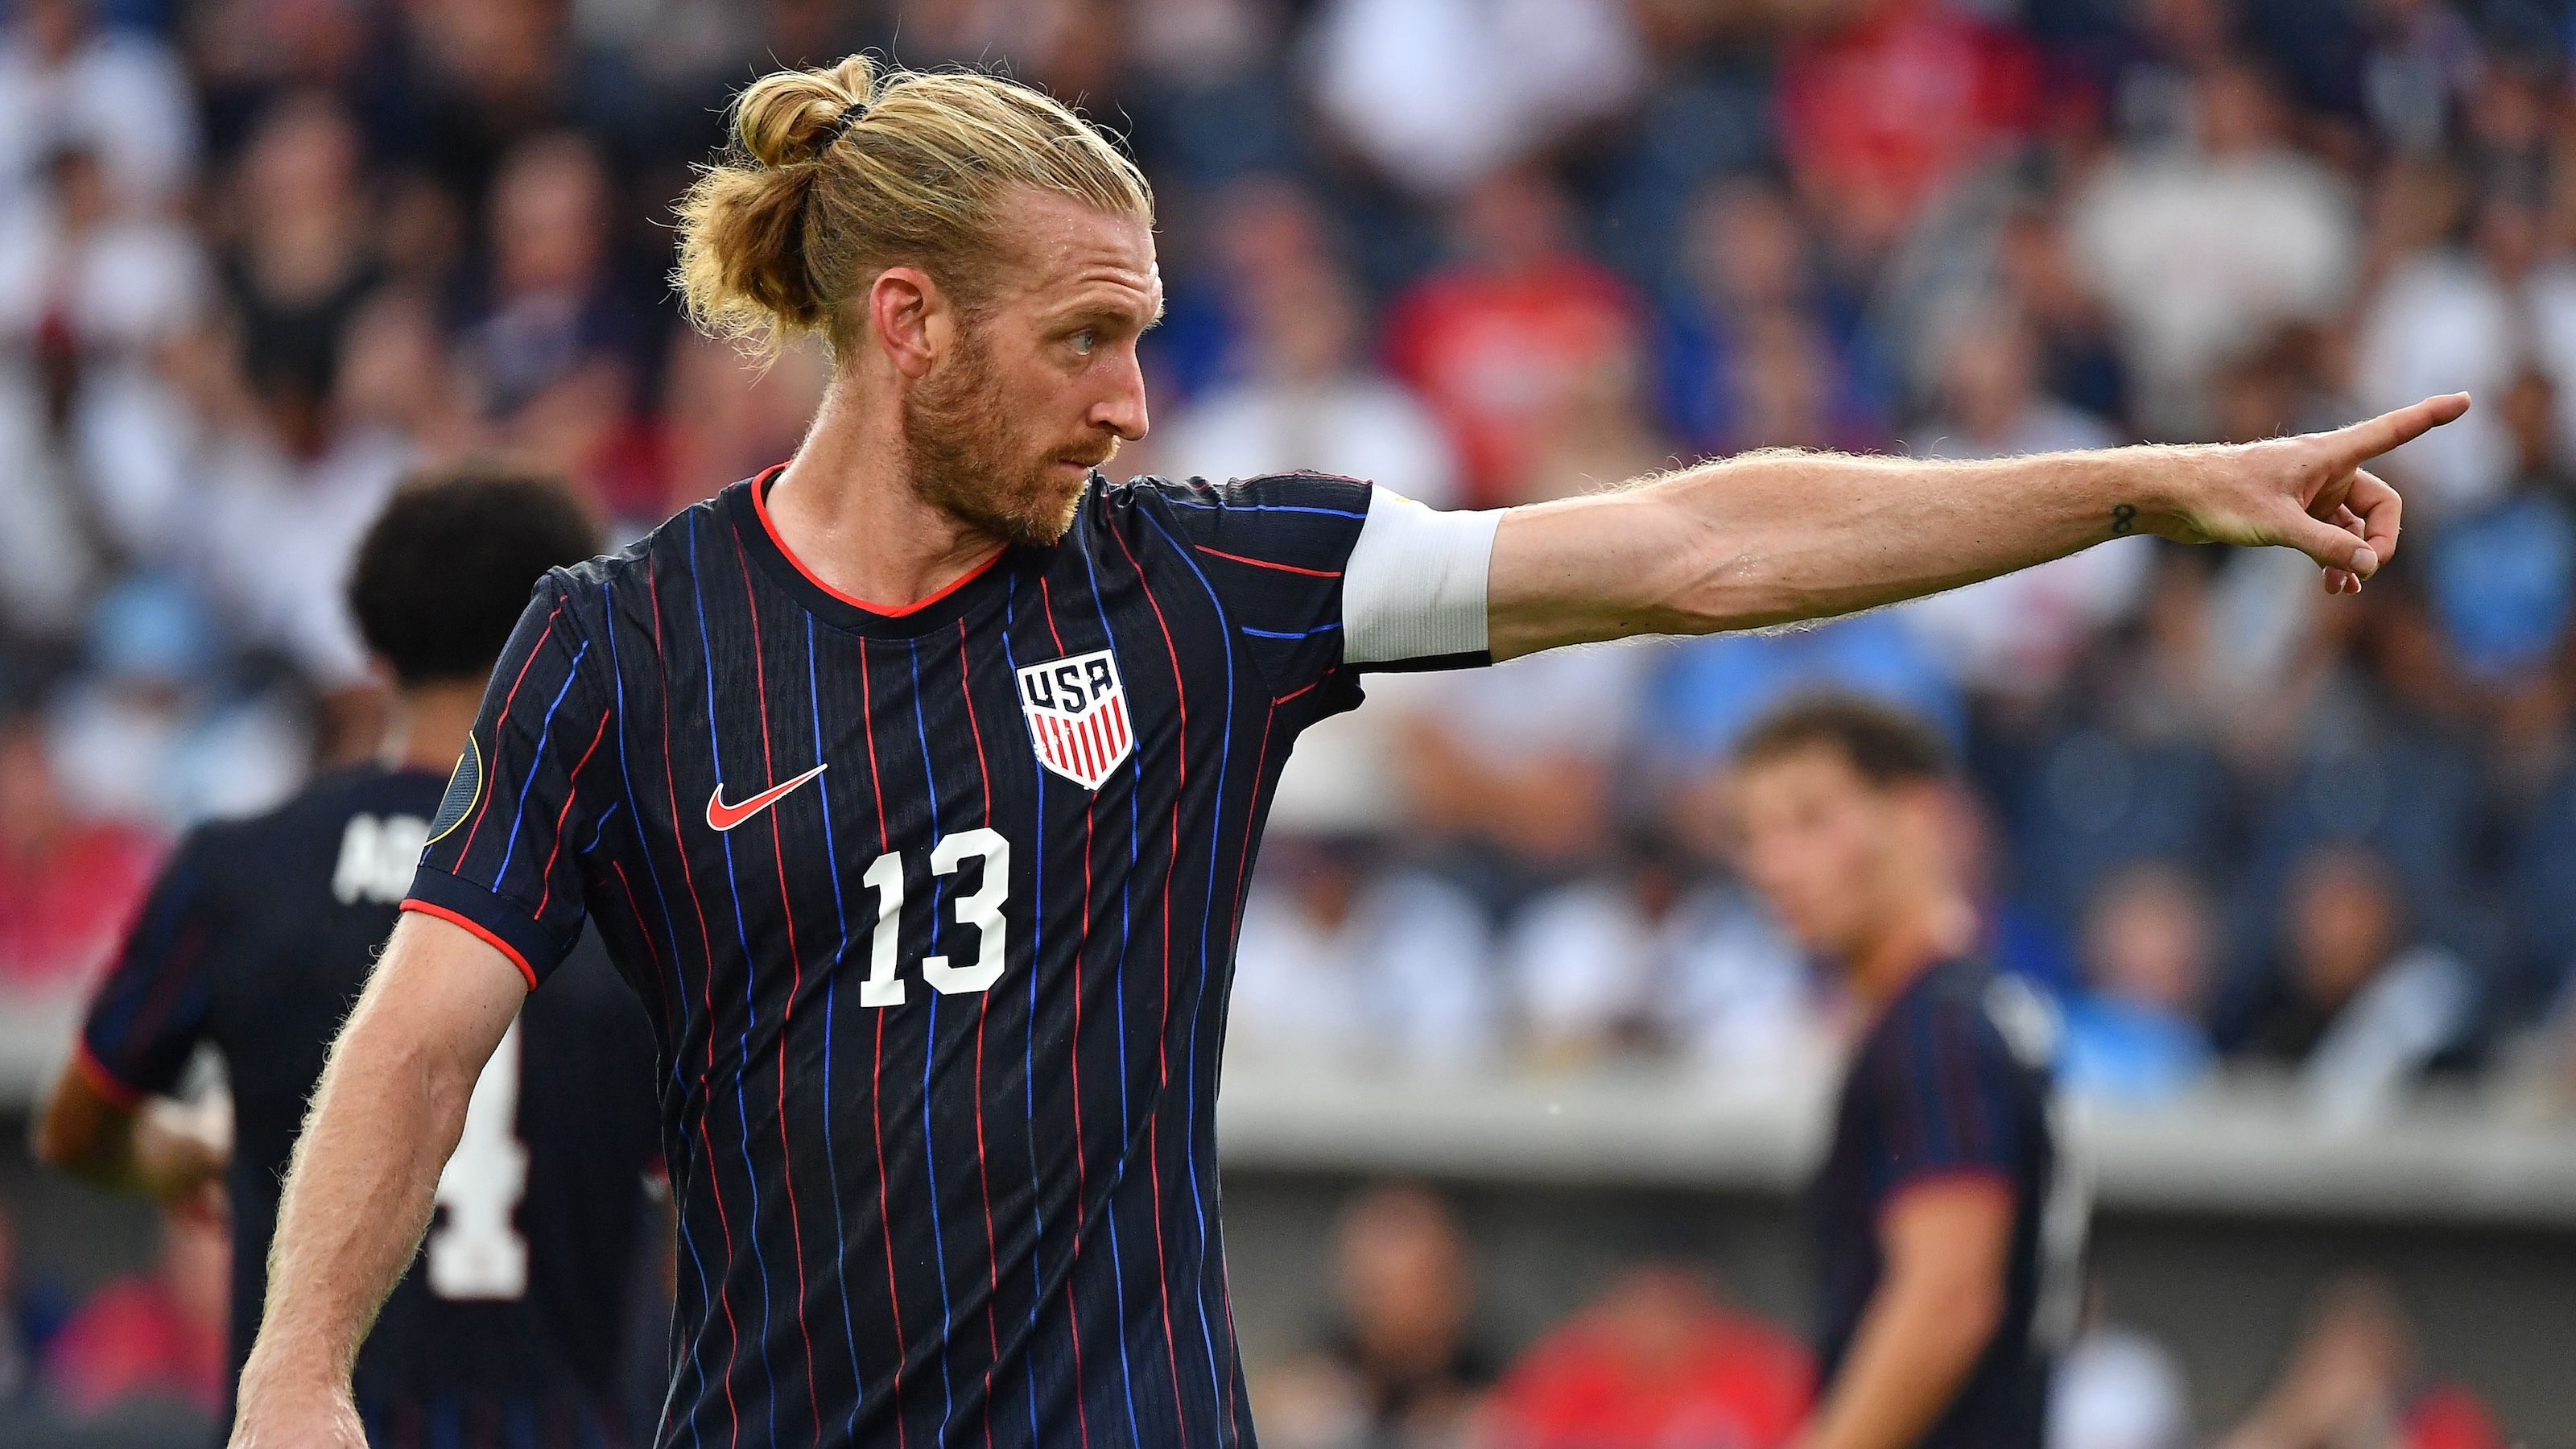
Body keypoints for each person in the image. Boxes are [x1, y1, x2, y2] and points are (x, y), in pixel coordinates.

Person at [225, 51, 2461, 1449]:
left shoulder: (1205, 593)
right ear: (901, 327)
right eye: (1086, 340)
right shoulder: (622, 648)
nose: (1134, 401)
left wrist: (2136, 483)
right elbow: (424, 1026)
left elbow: (1692, 545)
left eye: (1148, 339)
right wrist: (296, 1375)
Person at [34, 468, 665, 1442]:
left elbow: (77, 1127)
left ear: (370, 648)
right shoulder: (634, 895)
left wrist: (168, 1153)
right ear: (567, 646)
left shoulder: (242, 871)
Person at [1732, 698, 2081, 1449]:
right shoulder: (1981, 1009)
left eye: (1810, 820)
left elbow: (1949, 1299)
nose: (1772, 865)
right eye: (1754, 835)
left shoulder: (1935, 1032)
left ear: (1918, 815)